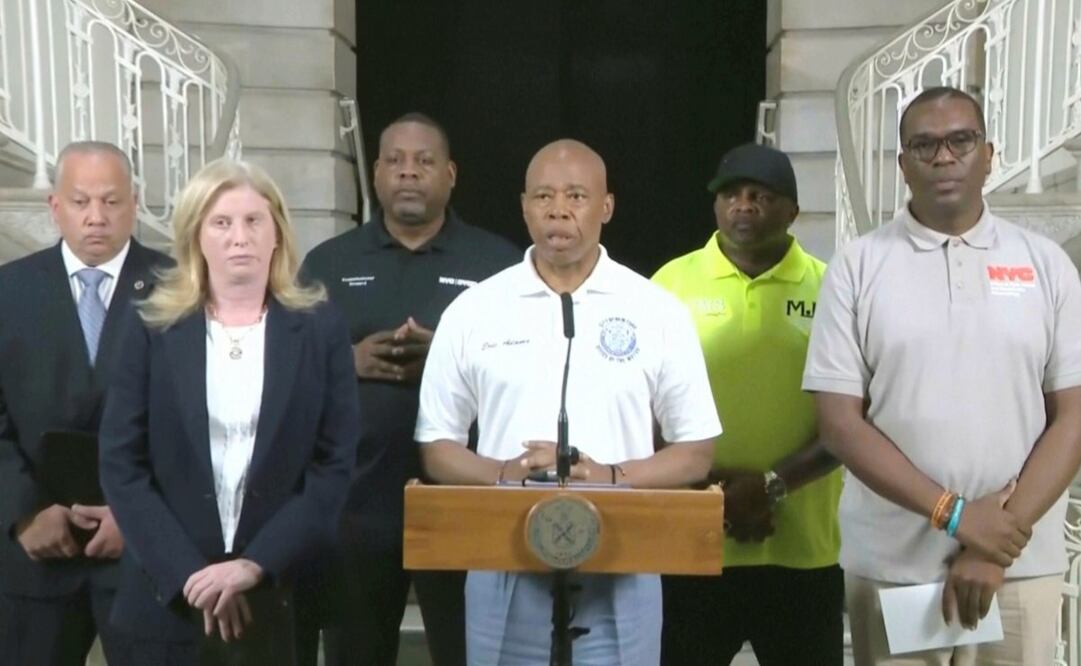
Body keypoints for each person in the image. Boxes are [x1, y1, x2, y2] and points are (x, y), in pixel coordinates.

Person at [414, 139, 721, 665]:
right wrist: (504, 473)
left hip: (625, 557)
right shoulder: (475, 310)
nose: (558, 209)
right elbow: (436, 444)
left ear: (606, 207)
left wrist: (610, 476)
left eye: (576, 195)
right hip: (501, 556)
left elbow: (696, 449)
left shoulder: (655, 310)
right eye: (543, 196)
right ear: (524, 206)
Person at [804, 86, 1081, 665]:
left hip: (1017, 568)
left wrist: (994, 542)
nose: (944, 156)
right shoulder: (858, 266)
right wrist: (956, 516)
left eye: (961, 140)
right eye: (924, 145)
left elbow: (1073, 416)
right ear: (904, 165)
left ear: (989, 154)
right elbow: (839, 424)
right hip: (897, 567)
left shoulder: (1045, 264)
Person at [98, 158, 360, 664]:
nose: (239, 236)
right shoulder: (150, 323)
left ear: (277, 234)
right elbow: (121, 463)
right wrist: (191, 575)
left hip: (277, 589)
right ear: (196, 236)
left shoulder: (320, 326)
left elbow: (333, 465)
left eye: (253, 221)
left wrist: (253, 566)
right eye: (221, 223)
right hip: (167, 596)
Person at [299, 112, 519, 666]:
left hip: (464, 501)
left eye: (423, 162)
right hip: (357, 503)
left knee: (468, 654)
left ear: (449, 174)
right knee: (356, 653)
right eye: (394, 160)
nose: (408, 173)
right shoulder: (329, 262)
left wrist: (448, 357)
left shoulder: (498, 266)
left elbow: (529, 368)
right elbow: (286, 369)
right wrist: (345, 359)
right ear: (375, 174)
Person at [653, 142, 843, 665]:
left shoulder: (833, 288)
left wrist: (770, 487)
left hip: (803, 553)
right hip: (693, 547)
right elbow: (642, 412)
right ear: (715, 206)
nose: (744, 205)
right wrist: (714, 490)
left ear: (793, 212)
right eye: (731, 194)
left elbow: (854, 419)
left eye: (762, 195)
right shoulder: (668, 286)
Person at [0, 141, 170, 666]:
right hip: (34, 558)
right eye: (80, 202)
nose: (96, 217)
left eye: (112, 201)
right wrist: (23, 512)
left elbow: (195, 423)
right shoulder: (9, 290)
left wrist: (138, 518)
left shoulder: (180, 290)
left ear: (135, 202)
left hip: (147, 561)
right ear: (55, 206)